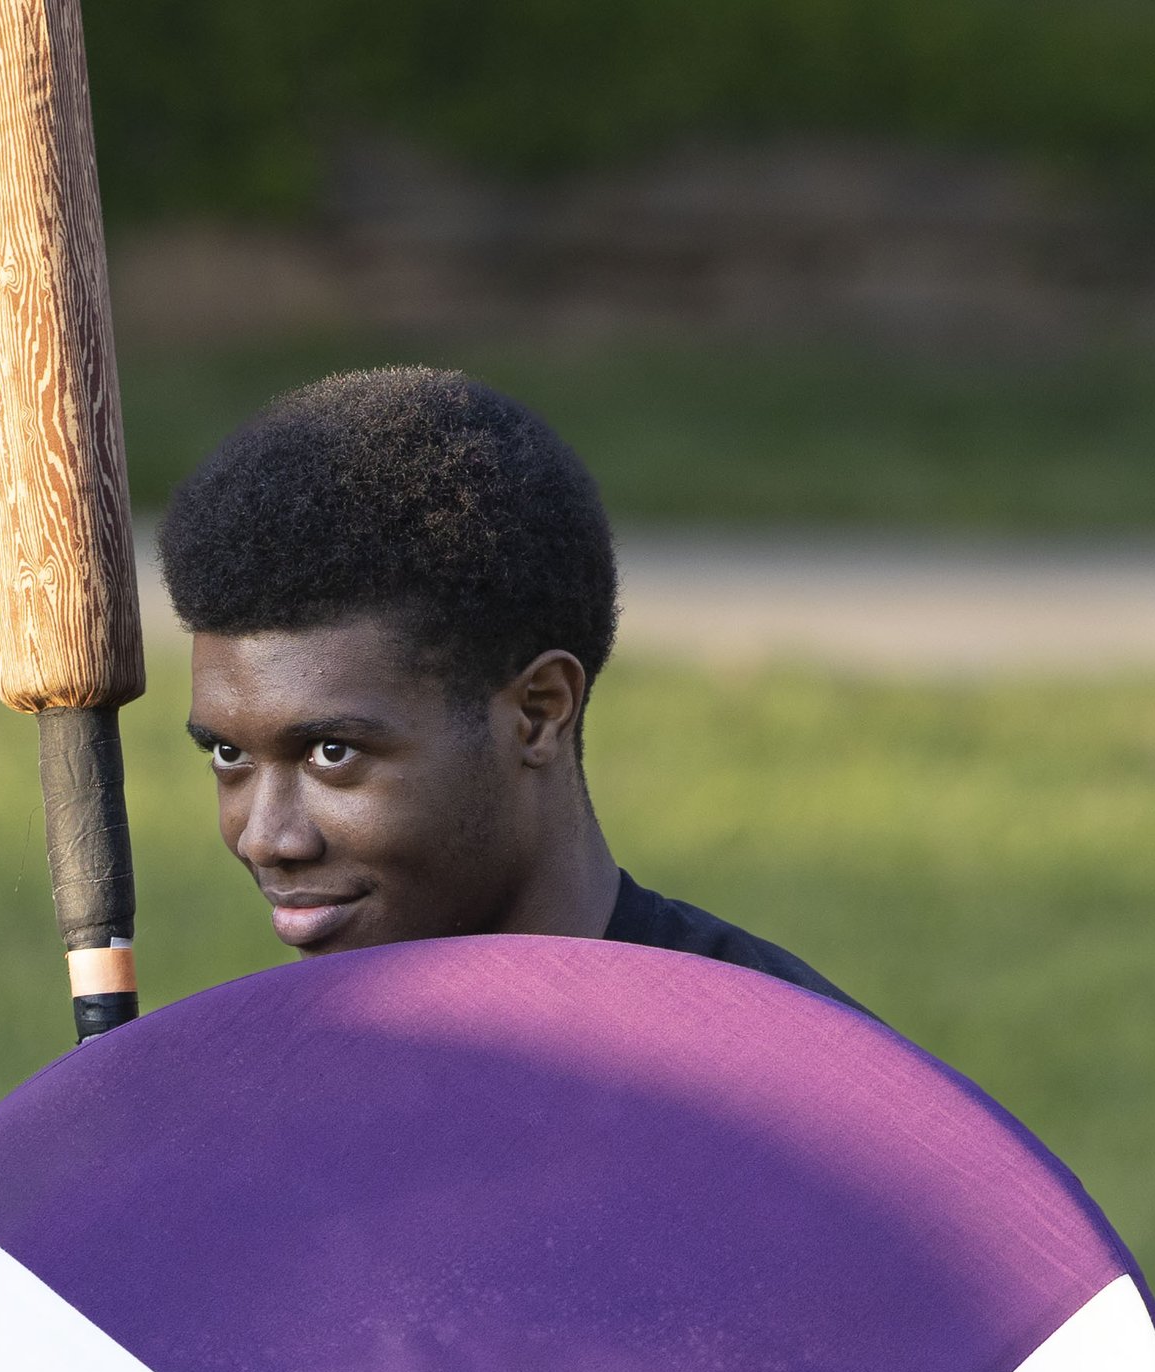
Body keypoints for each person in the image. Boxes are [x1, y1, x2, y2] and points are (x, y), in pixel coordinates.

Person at [159, 364, 866, 1015]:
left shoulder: (798, 1093)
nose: (265, 838)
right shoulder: (259, 1097)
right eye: (228, 754)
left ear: (538, 712)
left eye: (332, 752)